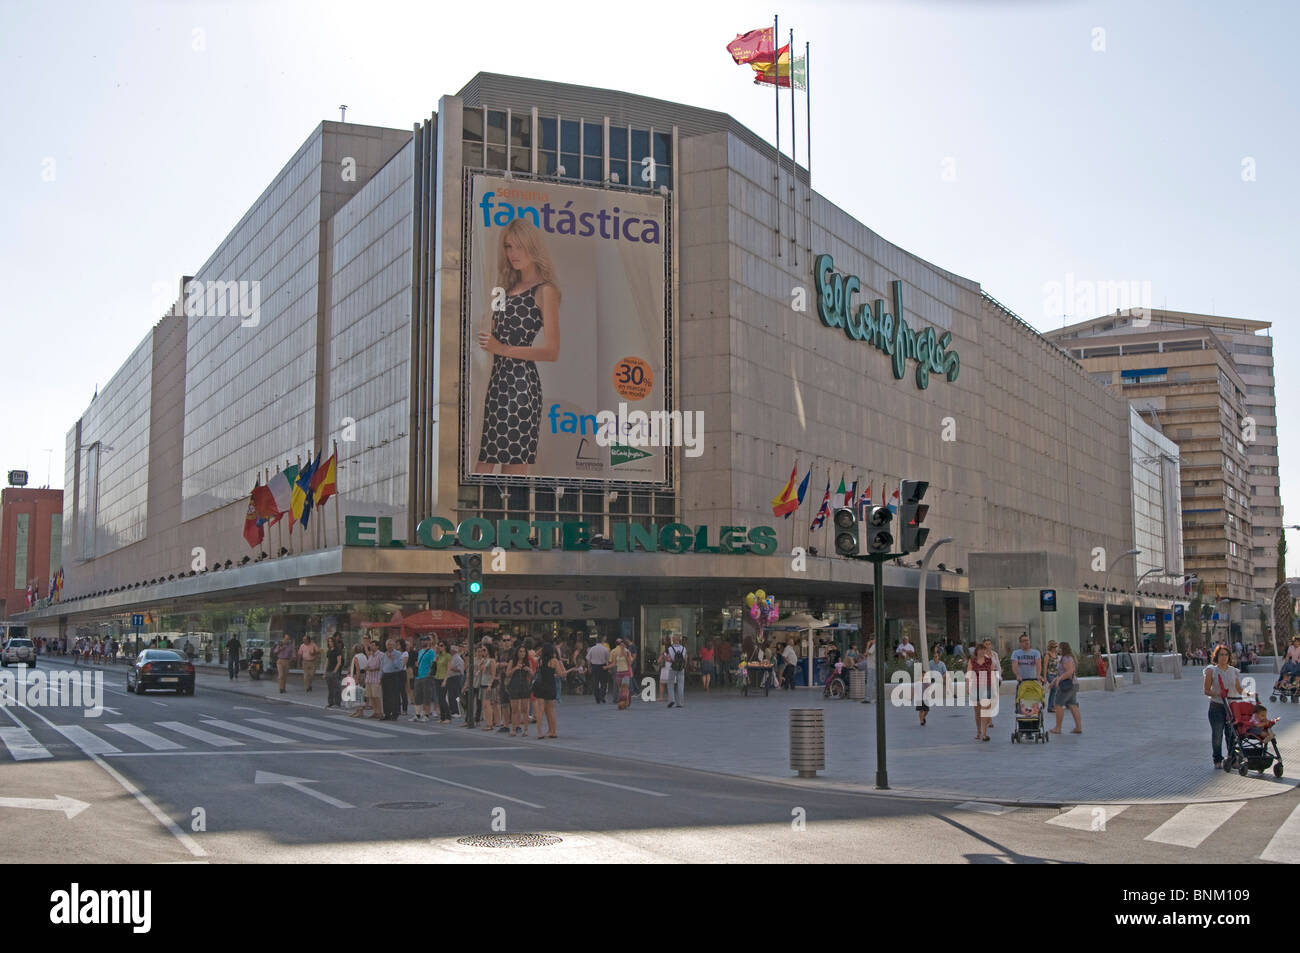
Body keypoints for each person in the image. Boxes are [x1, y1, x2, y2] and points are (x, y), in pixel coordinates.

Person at [473, 218, 562, 476]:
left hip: (522, 386)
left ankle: (509, 514)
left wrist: (503, 349)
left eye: (519, 247)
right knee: (485, 461)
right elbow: (488, 331)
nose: (513, 254)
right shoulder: (503, 290)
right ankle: (480, 514)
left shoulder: (546, 291)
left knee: (512, 465)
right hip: (495, 383)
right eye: (508, 247)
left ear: (532, 247)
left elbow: (552, 350)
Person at [1203, 645, 1242, 768]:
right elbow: (1206, 690)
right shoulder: (1211, 670)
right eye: (1221, 655)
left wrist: (1250, 694)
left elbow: (1239, 689)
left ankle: (1232, 758)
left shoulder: (1233, 671)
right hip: (1217, 707)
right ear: (1216, 656)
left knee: (1231, 734)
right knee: (1217, 734)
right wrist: (1217, 693)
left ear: (1229, 656)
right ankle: (1217, 759)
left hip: (1231, 706)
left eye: (1226, 655)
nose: (1224, 657)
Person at [532, 642, 568, 738]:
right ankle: (553, 731)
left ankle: (540, 732)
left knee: (540, 710)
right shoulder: (554, 661)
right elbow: (560, 674)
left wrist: (541, 649)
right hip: (550, 686)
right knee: (551, 710)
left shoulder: (540, 660)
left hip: (540, 685)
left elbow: (534, 656)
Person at [1050, 642, 1082, 735]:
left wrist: (1059, 679)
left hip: (1067, 685)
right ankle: (1078, 727)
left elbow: (1069, 672)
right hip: (1073, 684)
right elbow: (1063, 672)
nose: (1057, 649)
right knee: (1072, 705)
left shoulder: (1066, 658)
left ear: (1063, 648)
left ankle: (1058, 728)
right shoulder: (1067, 657)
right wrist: (1054, 680)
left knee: (1058, 704)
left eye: (1059, 648)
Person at [967, 642, 996, 741]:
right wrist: (967, 687)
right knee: (977, 712)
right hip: (975, 687)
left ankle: (984, 734)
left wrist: (994, 689)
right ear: (977, 651)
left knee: (985, 710)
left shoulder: (989, 661)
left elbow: (992, 675)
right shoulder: (972, 661)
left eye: (984, 649)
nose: (982, 651)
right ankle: (978, 731)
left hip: (986, 687)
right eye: (980, 649)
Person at [506, 645, 533, 737]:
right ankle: (513, 729)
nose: (522, 653)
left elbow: (532, 675)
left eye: (524, 652)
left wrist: (529, 670)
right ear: (517, 653)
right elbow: (507, 674)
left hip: (524, 686)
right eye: (520, 651)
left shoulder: (528, 662)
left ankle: (525, 730)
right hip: (514, 686)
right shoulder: (512, 662)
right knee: (514, 709)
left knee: (525, 709)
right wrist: (515, 668)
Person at [919, 646, 947, 726]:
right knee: (921, 709)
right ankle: (921, 720)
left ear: (939, 657)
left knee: (927, 709)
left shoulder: (942, 664)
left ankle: (923, 718)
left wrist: (941, 677)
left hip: (938, 679)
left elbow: (945, 672)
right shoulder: (930, 663)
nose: (935, 658)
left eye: (936, 656)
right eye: (934, 656)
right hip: (930, 681)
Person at [412, 636, 437, 722]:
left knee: (427, 696)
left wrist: (429, 674)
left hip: (426, 677)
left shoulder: (431, 652)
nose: (423, 642)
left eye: (425, 641)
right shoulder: (420, 651)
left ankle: (426, 715)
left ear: (429, 642)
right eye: (422, 641)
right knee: (417, 696)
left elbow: (433, 664)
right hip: (418, 676)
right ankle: (417, 714)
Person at [380, 638, 404, 721]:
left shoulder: (397, 654)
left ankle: (395, 713)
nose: (389, 646)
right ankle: (387, 713)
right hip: (385, 675)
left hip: (394, 675)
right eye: (388, 645)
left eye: (391, 645)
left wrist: (392, 659)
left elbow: (400, 666)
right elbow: (382, 666)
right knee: (386, 695)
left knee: (394, 695)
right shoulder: (384, 654)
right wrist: (380, 676)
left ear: (394, 646)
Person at [664, 633, 688, 708]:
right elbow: (685, 659)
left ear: (673, 640)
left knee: (670, 684)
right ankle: (680, 703)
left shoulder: (670, 648)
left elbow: (668, 658)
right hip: (681, 668)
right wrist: (684, 666)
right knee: (681, 685)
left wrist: (668, 659)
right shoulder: (684, 648)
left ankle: (672, 700)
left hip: (672, 668)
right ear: (679, 640)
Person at [610, 638, 633, 710]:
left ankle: (623, 704)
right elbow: (614, 662)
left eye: (623, 645)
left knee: (624, 689)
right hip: (619, 673)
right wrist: (608, 668)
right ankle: (627, 701)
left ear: (625, 646)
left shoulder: (627, 652)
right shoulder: (616, 652)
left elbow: (630, 662)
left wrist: (625, 654)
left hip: (626, 672)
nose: (621, 646)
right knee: (621, 690)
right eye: (621, 645)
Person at [325, 636, 344, 708]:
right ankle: (330, 702)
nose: (330, 643)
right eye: (329, 642)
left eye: (331, 641)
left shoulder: (337, 651)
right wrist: (325, 671)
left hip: (335, 671)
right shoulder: (329, 651)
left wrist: (335, 671)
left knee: (337, 688)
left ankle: (337, 702)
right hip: (329, 671)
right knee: (330, 688)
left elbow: (339, 662)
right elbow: (327, 661)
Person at [1044, 641, 1060, 713]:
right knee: (1054, 688)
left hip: (1056, 675)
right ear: (1050, 647)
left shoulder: (1056, 654)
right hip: (1049, 674)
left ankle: (1052, 706)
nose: (1055, 648)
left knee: (1054, 690)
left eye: (1056, 647)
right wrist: (1044, 677)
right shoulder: (1047, 655)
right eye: (1054, 647)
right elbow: (1045, 667)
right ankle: (1051, 707)